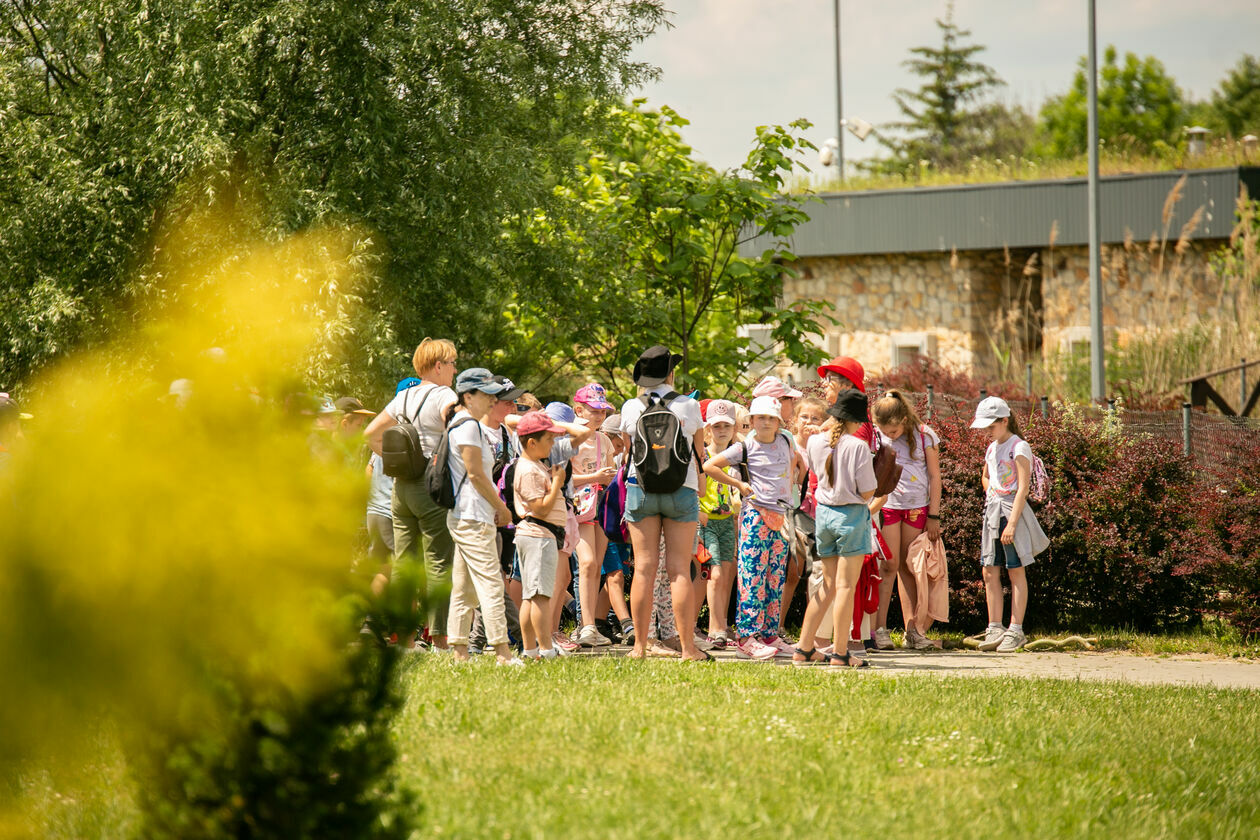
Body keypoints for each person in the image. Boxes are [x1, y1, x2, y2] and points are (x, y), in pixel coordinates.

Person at [364, 338, 460, 650]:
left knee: (404, 566)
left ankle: (404, 638)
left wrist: (394, 464)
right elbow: (456, 424)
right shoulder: (444, 394)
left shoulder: (403, 396)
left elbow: (370, 433)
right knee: (438, 563)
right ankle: (441, 640)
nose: (454, 370)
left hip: (400, 488)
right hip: (431, 486)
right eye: (452, 364)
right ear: (438, 366)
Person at [618, 345, 710, 662]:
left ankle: (639, 648)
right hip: (681, 490)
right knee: (679, 571)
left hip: (640, 489)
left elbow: (629, 452)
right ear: (671, 373)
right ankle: (687, 650)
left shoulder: (630, 407)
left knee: (643, 569)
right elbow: (698, 454)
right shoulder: (690, 406)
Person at [702, 395, 805, 661]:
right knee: (752, 575)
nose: (766, 422)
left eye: (771, 417)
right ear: (751, 421)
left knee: (775, 576)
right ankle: (746, 637)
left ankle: (770, 634)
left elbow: (796, 461)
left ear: (779, 421)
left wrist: (798, 471)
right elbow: (710, 466)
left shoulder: (784, 440)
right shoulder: (744, 447)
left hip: (781, 515)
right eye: (761, 417)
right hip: (755, 515)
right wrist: (738, 485)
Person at [443, 368, 523, 666]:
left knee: (463, 587)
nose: (493, 399)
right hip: (473, 516)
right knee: (491, 583)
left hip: (467, 516)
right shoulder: (468, 427)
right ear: (468, 396)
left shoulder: (463, 423)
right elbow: (476, 474)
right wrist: (501, 508)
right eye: (486, 394)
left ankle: (459, 651)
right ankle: (503, 652)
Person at [793, 388, 877, 668]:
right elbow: (867, 492)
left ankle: (804, 647)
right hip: (850, 516)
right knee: (844, 587)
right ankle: (840, 652)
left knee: (826, 585)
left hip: (824, 516)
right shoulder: (858, 447)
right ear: (857, 420)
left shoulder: (816, 442)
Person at [972, 396, 1049, 653]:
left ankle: (1016, 629)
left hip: (1010, 513)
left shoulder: (1019, 446)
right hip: (992, 511)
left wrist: (1012, 524)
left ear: (1005, 421)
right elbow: (986, 475)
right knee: (989, 570)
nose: (987, 432)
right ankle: (995, 626)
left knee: (1015, 569)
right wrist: (991, 492)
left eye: (991, 426)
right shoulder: (992, 448)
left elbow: (1023, 488)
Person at [872, 390, 943, 650]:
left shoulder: (924, 435)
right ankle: (879, 629)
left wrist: (933, 514)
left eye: (893, 431)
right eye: (884, 431)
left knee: (910, 568)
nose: (889, 435)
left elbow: (935, 477)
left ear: (904, 419)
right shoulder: (877, 435)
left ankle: (913, 630)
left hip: (917, 508)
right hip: (888, 505)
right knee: (889, 565)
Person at [512, 410, 572, 660]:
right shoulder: (528, 470)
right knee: (540, 597)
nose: (553, 444)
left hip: (540, 536)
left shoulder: (536, 465)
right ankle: (546, 650)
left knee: (531, 595)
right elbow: (540, 508)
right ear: (532, 443)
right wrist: (557, 482)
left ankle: (531, 649)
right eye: (549, 439)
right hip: (538, 535)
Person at [751, 376, 806, 639]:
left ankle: (774, 628)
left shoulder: (786, 438)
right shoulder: (753, 440)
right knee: (758, 573)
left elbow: (797, 470)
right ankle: (755, 632)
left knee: (783, 572)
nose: (793, 405)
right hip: (761, 514)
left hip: (787, 512)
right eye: (788, 400)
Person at [570, 384, 619, 646]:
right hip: (578, 506)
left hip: (601, 505)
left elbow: (609, 472)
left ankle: (588, 626)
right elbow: (564, 476)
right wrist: (594, 477)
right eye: (593, 410)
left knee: (596, 567)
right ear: (578, 409)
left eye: (602, 411)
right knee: (587, 563)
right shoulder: (570, 438)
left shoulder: (604, 440)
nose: (599, 416)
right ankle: (585, 624)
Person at [697, 399, 740, 647]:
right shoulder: (703, 455)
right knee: (713, 573)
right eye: (716, 426)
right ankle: (715, 629)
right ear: (708, 430)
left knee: (724, 576)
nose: (722, 430)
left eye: (727, 425)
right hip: (706, 521)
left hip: (727, 522)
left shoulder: (736, 456)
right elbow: (694, 486)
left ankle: (721, 624)